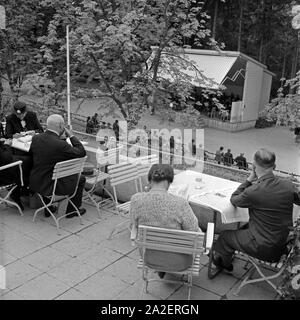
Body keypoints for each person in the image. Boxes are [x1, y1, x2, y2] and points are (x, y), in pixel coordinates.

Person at [212, 148, 300, 272]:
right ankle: (230, 253)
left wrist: (248, 180)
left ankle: (225, 265)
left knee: (225, 236)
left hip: (264, 249)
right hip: (282, 244)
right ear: (274, 166)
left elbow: (234, 199)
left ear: (253, 166)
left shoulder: (253, 191)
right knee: (244, 228)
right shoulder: (288, 185)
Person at [130, 164, 200, 278]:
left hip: (150, 258)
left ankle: (161, 268)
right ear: (169, 182)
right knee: (197, 232)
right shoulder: (180, 203)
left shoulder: (136, 200)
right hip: (180, 263)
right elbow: (193, 231)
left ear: (149, 180)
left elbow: (134, 224)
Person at [29, 114, 87, 218]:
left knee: (49, 171)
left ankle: (48, 208)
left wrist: (62, 139)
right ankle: (72, 211)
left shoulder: (36, 138)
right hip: (50, 186)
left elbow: (34, 156)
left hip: (36, 182)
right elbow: (81, 152)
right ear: (61, 126)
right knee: (81, 178)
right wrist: (71, 135)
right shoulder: (60, 145)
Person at [0, 139, 24, 209]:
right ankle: (16, 196)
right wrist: (6, 145)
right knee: (22, 167)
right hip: (3, 176)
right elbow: (7, 159)